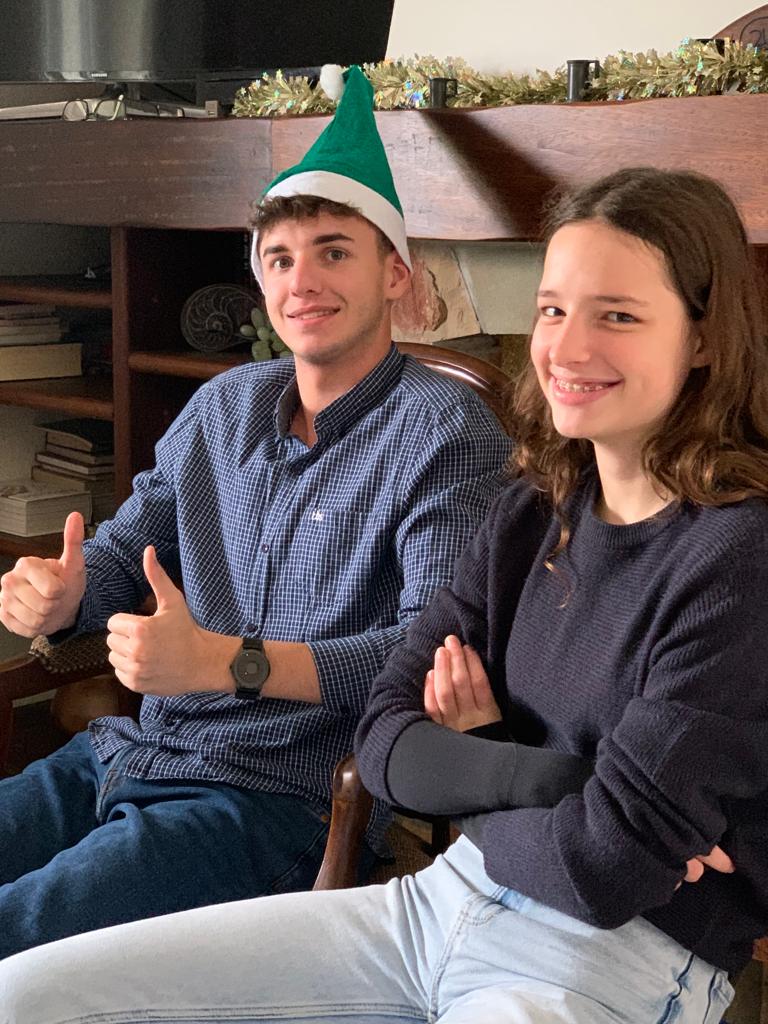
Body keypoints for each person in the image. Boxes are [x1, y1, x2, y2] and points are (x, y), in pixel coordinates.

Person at [4, 163, 765, 1024]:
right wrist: (62, 596)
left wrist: (471, 770)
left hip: (339, 829)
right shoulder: (532, 505)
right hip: (400, 879)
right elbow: (392, 739)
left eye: (618, 315)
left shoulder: (722, 554)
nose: (568, 348)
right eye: (552, 310)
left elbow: (602, 865)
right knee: (19, 991)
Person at [0, 66, 512, 961]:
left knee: (18, 936)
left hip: (275, 800)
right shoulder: (223, 405)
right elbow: (123, 555)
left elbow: (424, 653)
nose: (302, 280)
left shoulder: (446, 431)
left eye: (334, 252)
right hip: (131, 753)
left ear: (396, 274)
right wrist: (64, 594)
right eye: (280, 259)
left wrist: (223, 662)